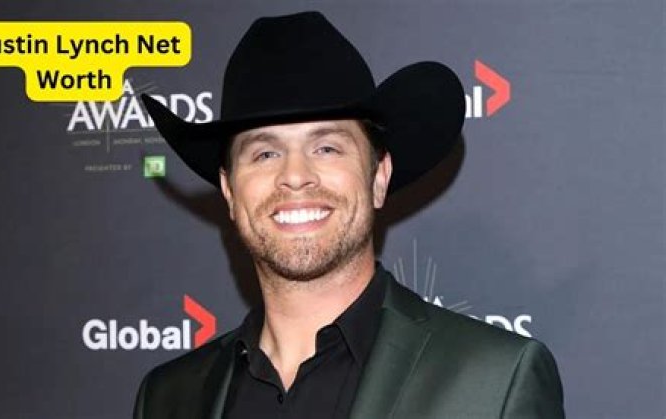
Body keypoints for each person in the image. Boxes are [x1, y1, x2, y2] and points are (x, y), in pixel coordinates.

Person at [135, 11, 564, 419]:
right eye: (265, 153)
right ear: (230, 191)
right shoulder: (169, 397)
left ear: (379, 177)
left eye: (327, 148)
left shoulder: (494, 383)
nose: (295, 176)